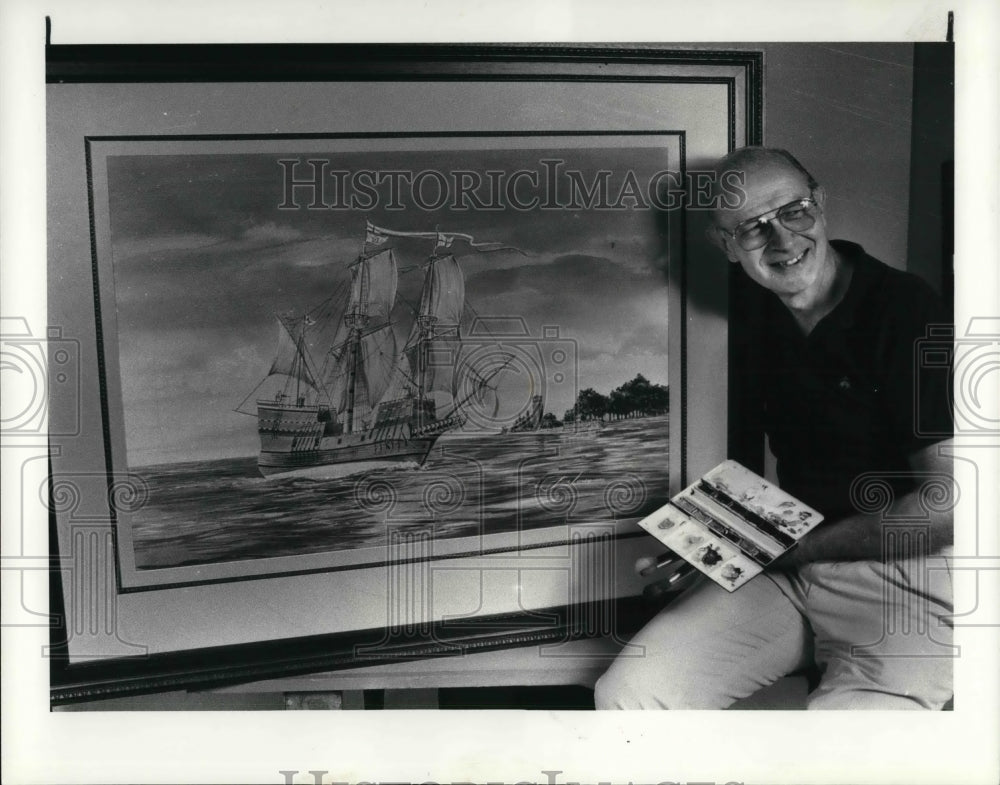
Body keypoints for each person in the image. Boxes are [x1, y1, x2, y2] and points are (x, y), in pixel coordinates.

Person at [594, 147, 954, 710]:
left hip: (905, 576)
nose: (783, 241)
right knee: (631, 696)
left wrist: (789, 549)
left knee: (849, 751)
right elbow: (763, 478)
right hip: (793, 565)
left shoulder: (908, 311)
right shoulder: (753, 309)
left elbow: (947, 509)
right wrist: (717, 541)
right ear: (727, 246)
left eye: (795, 211)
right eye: (753, 229)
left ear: (822, 205)